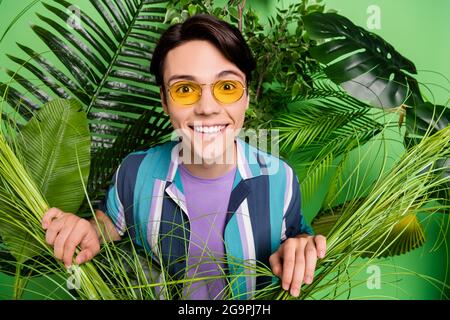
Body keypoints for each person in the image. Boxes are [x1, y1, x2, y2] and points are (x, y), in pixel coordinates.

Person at [41, 13, 326, 300]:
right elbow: (106, 225)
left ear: (247, 95)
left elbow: (296, 236)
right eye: (185, 89)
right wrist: (84, 231)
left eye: (227, 87)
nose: (207, 108)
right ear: (164, 100)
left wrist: (301, 246)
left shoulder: (280, 177)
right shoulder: (135, 170)